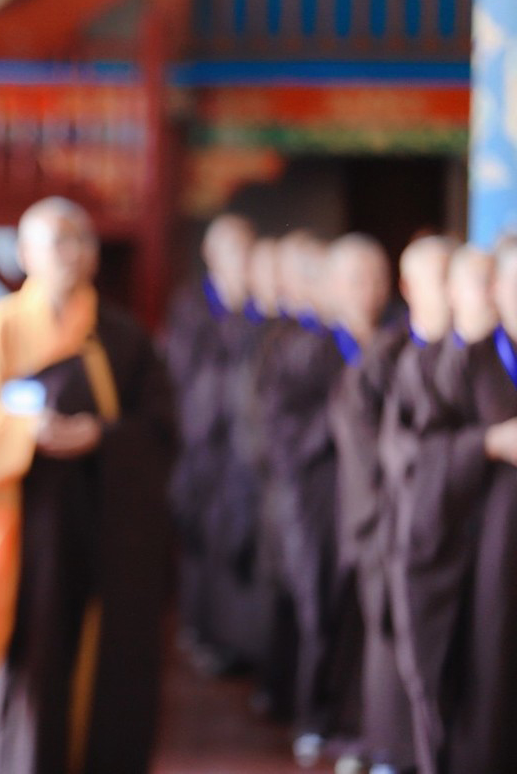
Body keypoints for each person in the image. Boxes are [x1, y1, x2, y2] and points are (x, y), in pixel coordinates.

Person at [0, 197, 176, 774]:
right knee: (29, 663)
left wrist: (97, 434)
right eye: (58, 240)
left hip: (109, 522)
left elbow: (162, 428)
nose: (72, 253)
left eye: (82, 241)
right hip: (26, 526)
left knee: (111, 663)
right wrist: (24, 434)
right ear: (26, 253)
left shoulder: (123, 338)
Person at [403, 242, 517, 773]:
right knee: (489, 703)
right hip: (485, 565)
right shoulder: (457, 361)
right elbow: (418, 458)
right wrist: (488, 444)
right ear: (496, 291)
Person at [378, 239, 485, 774]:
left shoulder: (478, 356)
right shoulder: (408, 361)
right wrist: (482, 447)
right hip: (424, 532)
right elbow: (405, 456)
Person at [255, 231, 350, 763]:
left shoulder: (354, 339)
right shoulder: (291, 344)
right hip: (304, 488)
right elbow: (275, 428)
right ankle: (311, 712)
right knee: (313, 599)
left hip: (346, 489)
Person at [324, 234, 413, 772]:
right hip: (333, 506)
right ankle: (348, 728)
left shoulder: (396, 346)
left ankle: (379, 737)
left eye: (379, 277)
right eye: (358, 278)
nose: (370, 290)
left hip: (384, 508)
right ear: (334, 286)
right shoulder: (306, 344)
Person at [162, 214, 263, 672]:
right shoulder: (191, 306)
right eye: (231, 250)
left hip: (243, 449)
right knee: (206, 545)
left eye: (246, 249)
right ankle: (204, 634)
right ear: (211, 255)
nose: (239, 260)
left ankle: (241, 641)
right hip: (203, 446)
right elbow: (182, 372)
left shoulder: (262, 308)